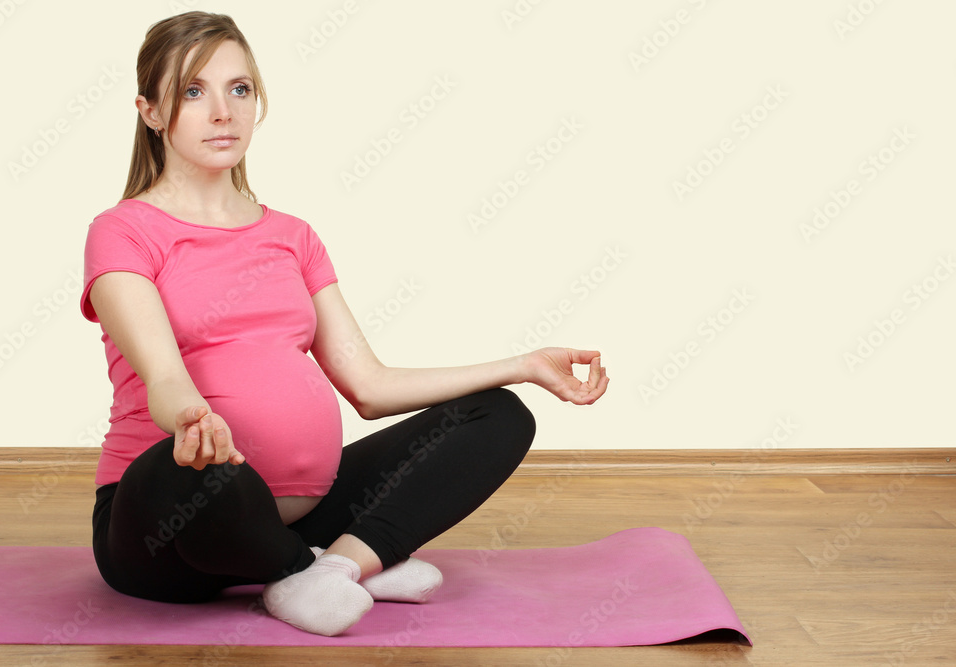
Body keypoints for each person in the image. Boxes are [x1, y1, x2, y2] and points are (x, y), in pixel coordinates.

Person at [81, 10, 609, 637]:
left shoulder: (292, 236)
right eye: (193, 91)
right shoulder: (121, 232)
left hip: (301, 513)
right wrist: (192, 419)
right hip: (168, 528)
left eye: (239, 88)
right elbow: (164, 377)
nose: (222, 111)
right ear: (150, 111)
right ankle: (317, 568)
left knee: (497, 415)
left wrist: (523, 366)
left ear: (258, 102)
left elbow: (367, 384)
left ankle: (332, 566)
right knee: (197, 472)